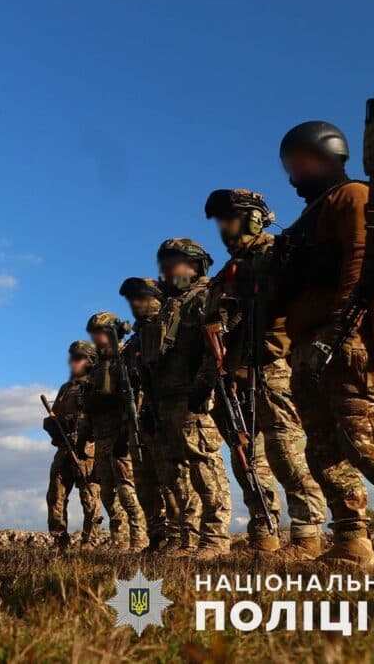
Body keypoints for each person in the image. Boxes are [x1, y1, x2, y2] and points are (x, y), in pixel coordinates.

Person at [278, 121, 374, 569]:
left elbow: (360, 262)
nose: (294, 173)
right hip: (308, 345)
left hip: (347, 338)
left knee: (368, 440)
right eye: (290, 165)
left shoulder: (353, 197)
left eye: (300, 161)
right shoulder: (309, 216)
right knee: (322, 449)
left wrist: (344, 328)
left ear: (328, 154)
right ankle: (351, 540)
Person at [201, 189, 328, 558]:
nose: (224, 228)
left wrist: (272, 350)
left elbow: (298, 307)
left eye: (231, 218)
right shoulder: (228, 275)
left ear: (256, 218)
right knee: (248, 461)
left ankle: (307, 537)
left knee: (285, 452)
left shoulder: (277, 254)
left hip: (274, 369)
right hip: (239, 376)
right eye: (220, 221)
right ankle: (266, 535)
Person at [141, 238, 232, 558]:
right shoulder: (171, 305)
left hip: (192, 396)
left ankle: (215, 538)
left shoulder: (204, 297)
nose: (167, 269)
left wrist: (203, 388)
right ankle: (187, 538)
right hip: (167, 400)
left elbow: (216, 348)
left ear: (195, 265)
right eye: (164, 262)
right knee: (176, 473)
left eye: (175, 262)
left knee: (204, 466)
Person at [119, 277, 183, 552]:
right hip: (141, 420)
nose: (135, 303)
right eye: (131, 298)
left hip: (166, 415)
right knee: (145, 483)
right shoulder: (134, 342)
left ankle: (180, 535)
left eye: (141, 296)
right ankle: (157, 537)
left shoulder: (172, 327)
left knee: (173, 479)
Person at [84, 312, 148, 552]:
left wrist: (128, 430)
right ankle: (119, 540)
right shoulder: (98, 366)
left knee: (127, 490)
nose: (96, 338)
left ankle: (139, 538)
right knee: (108, 494)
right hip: (101, 436)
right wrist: (85, 435)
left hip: (122, 433)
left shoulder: (126, 356)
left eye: (99, 332)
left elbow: (135, 394)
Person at [44, 341, 102, 550]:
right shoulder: (66, 388)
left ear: (90, 360)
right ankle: (59, 539)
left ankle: (90, 541)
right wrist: (52, 425)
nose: (72, 362)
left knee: (90, 497)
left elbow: (103, 418)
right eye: (72, 357)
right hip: (64, 448)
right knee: (55, 495)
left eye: (77, 358)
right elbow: (57, 415)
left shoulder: (98, 385)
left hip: (87, 451)